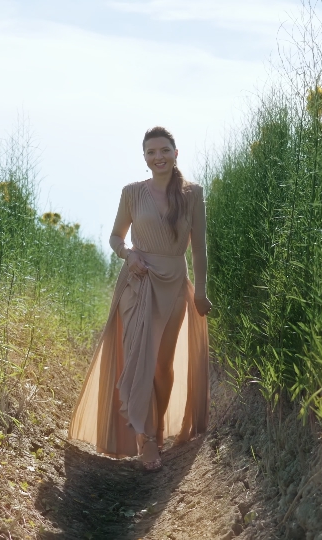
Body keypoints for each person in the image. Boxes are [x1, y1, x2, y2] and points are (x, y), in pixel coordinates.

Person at [68, 126, 212, 471]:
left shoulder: (192, 193)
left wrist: (202, 290)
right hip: (138, 283)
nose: (158, 157)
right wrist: (129, 254)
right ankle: (146, 439)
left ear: (176, 153)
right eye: (151, 152)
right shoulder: (132, 193)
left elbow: (201, 248)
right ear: (144, 157)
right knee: (138, 357)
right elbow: (116, 238)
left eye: (164, 150)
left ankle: (159, 425)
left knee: (162, 365)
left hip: (175, 284)